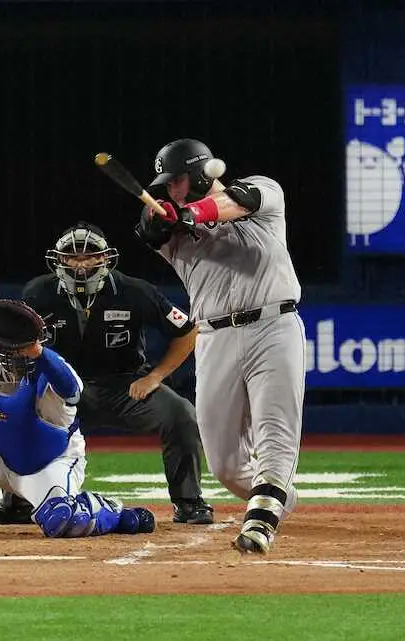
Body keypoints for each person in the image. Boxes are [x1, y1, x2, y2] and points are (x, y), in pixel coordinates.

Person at [133, 138, 304, 555]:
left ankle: (261, 522)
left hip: (274, 326)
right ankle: (277, 494)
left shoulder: (264, 191)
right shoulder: (174, 231)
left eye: (175, 181)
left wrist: (191, 212)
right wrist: (162, 220)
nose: (169, 190)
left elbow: (236, 202)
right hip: (214, 338)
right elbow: (148, 230)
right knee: (225, 464)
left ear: (197, 174)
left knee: (274, 433)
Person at [0, 222, 213, 527]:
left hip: (125, 386)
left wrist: (155, 376)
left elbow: (187, 331)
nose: (81, 264)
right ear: (59, 260)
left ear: (106, 258)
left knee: (181, 414)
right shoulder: (38, 293)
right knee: (15, 415)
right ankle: (17, 501)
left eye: (90, 255)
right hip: (61, 391)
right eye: (72, 256)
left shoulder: (135, 291)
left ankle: (189, 502)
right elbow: (18, 341)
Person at [0, 297, 156, 539]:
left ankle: (114, 513)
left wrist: (38, 353)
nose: (16, 354)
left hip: (46, 464)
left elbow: (71, 389)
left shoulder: (53, 373)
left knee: (65, 521)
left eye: (23, 347)